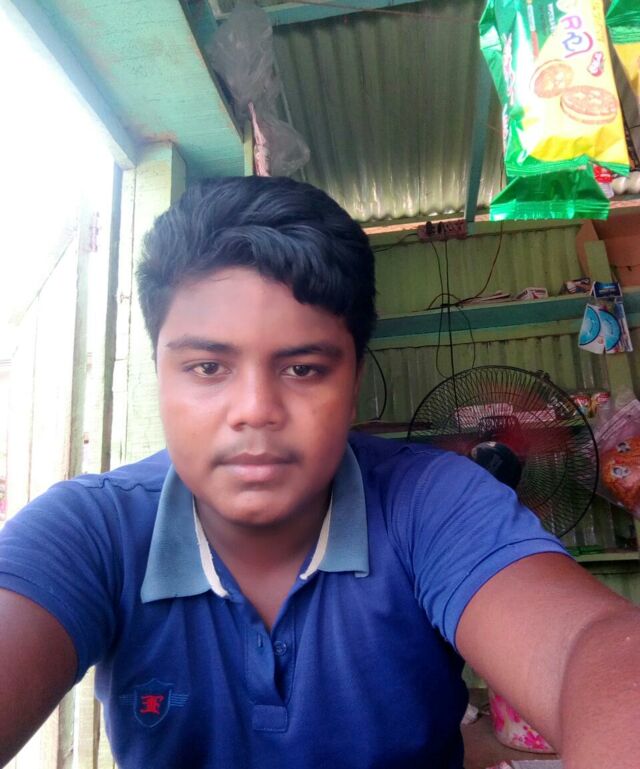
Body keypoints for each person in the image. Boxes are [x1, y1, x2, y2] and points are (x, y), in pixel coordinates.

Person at [0, 176, 638, 769]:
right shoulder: (90, 531)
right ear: (160, 376)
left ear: (354, 384)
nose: (255, 410)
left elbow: (593, 646)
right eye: (207, 367)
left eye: (303, 369)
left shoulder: (434, 502)